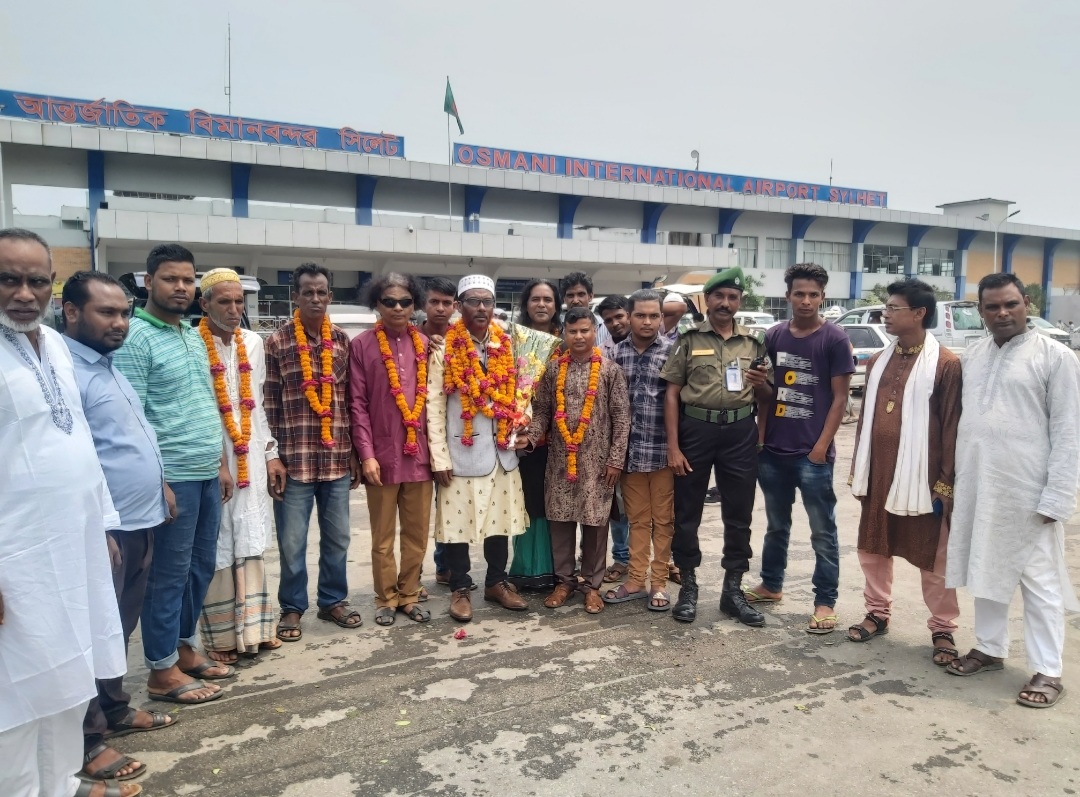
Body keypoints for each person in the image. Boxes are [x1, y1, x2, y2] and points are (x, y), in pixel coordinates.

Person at [0, 229, 134, 797]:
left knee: (69, 674)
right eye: (8, 279)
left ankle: (58, 784)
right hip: (16, 557)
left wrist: (102, 523)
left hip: (74, 543)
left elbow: (78, 438)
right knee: (15, 691)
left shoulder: (53, 344)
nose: (24, 294)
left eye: (36, 281)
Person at [62, 271, 178, 786]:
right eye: (106, 312)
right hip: (106, 530)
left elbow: (131, 437)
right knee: (90, 632)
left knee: (119, 625)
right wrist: (104, 526)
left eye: (124, 313)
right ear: (71, 312)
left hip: (141, 517)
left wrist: (160, 485)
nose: (120, 322)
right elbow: (78, 457)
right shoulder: (67, 371)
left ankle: (112, 708)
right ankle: (86, 739)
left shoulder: (107, 365)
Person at [946, 273, 1080, 709]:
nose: (1002, 313)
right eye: (992, 307)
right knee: (985, 567)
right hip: (980, 484)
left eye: (1010, 304)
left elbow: (1068, 432)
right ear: (981, 312)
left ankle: (1048, 669)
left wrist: (1058, 496)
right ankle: (989, 648)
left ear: (1027, 304)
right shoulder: (974, 355)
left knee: (1039, 581)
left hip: (1029, 490)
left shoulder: (1056, 357)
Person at [113, 243, 235, 704]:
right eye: (170, 279)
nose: (181, 287)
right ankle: (161, 670)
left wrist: (220, 464)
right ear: (149, 282)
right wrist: (157, 481)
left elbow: (204, 401)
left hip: (206, 473)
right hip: (172, 477)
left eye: (188, 279)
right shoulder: (136, 338)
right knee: (168, 574)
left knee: (199, 567)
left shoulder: (190, 334)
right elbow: (132, 418)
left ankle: (184, 648)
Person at [845, 279, 963, 661]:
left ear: (919, 313)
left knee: (934, 557)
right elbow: (864, 423)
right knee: (873, 547)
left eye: (893, 308)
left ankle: (943, 628)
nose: (886, 314)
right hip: (880, 473)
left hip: (923, 481)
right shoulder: (879, 360)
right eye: (887, 307)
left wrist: (945, 483)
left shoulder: (946, 364)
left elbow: (951, 427)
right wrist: (860, 469)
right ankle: (877, 613)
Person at [744, 264, 853, 634]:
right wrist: (761, 437)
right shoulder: (774, 336)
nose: (806, 301)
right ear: (788, 296)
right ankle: (771, 584)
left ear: (823, 297)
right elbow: (767, 396)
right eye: (799, 294)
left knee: (823, 532)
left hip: (812, 456)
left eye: (813, 295)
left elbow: (840, 400)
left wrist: (820, 448)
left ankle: (825, 602)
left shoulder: (834, 339)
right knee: (776, 526)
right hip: (774, 451)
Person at [661, 267, 772, 625]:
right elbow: (672, 393)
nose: (725, 303)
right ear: (707, 300)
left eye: (732, 297)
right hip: (696, 430)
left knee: (739, 514)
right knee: (687, 513)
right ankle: (689, 587)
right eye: (719, 296)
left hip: (739, 432)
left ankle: (732, 591)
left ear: (739, 301)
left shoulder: (754, 343)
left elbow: (767, 395)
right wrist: (674, 446)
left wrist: (761, 390)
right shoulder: (689, 339)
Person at [265, 262, 362, 641]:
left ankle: (332, 600)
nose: (316, 298)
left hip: (336, 459)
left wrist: (353, 452)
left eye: (322, 292)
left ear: (330, 296)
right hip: (294, 462)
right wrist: (272, 456)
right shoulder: (277, 342)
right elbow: (269, 403)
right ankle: (292, 607)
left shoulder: (341, 341)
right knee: (292, 543)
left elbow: (349, 400)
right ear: (296, 296)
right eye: (308, 292)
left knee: (338, 539)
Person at [427, 274, 530, 621]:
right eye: (473, 301)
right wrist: (439, 457)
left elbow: (522, 392)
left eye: (487, 301)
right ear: (459, 306)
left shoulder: (508, 345)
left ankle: (496, 583)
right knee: (456, 524)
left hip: (502, 453)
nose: (482, 308)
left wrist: (523, 421)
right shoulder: (444, 350)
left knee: (499, 523)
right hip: (462, 452)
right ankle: (460, 588)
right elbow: (434, 408)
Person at [196, 269, 285, 662]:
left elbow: (257, 404)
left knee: (250, 534)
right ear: (204, 304)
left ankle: (256, 629)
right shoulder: (193, 343)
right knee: (218, 537)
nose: (234, 309)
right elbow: (200, 409)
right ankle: (220, 639)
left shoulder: (253, 342)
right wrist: (216, 462)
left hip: (250, 452)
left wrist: (270, 453)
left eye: (238, 302)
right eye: (224, 302)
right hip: (213, 454)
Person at [524, 307, 630, 614]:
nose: (579, 336)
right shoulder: (553, 370)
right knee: (560, 522)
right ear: (564, 334)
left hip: (598, 465)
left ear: (594, 332)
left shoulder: (610, 370)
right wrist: (529, 437)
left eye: (585, 330)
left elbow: (622, 417)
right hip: (560, 462)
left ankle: (592, 586)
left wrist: (615, 460)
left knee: (595, 525)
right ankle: (564, 582)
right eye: (573, 332)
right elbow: (542, 411)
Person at [349, 273, 433, 627]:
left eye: (405, 302)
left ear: (414, 306)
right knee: (382, 537)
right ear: (377, 304)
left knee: (417, 534)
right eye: (390, 301)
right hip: (381, 458)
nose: (398, 308)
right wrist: (366, 454)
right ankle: (385, 598)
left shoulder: (426, 345)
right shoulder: (362, 345)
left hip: (420, 457)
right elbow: (357, 404)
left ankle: (409, 594)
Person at [604, 289, 675, 611]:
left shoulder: (674, 353)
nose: (647, 322)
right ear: (629, 317)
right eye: (641, 315)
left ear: (661, 318)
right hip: (630, 455)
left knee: (664, 521)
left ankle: (659, 583)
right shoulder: (615, 355)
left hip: (664, 453)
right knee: (637, 520)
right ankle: (635, 580)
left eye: (654, 316)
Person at [508, 279, 563, 590]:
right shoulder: (511, 342)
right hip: (523, 438)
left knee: (554, 503)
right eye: (535, 299)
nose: (541, 305)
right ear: (526, 304)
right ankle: (527, 568)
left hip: (561, 440)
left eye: (548, 299)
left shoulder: (566, 343)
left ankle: (559, 568)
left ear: (556, 306)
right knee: (526, 500)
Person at [418, 276, 457, 589]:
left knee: (448, 504)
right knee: (417, 514)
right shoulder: (410, 339)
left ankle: (446, 567)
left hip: (451, 437)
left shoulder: (461, 341)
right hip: (414, 438)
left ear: (455, 306)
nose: (441, 309)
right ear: (424, 304)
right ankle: (411, 576)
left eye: (446, 303)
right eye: (434, 302)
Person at [595, 294, 632, 582]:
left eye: (619, 316)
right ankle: (622, 558)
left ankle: (664, 560)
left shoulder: (652, 344)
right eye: (608, 320)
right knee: (618, 504)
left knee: (655, 506)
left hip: (648, 438)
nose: (615, 323)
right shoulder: (603, 353)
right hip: (614, 439)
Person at [560, 271, 610, 346]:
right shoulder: (558, 327)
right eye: (570, 295)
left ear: (590, 296)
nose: (575, 301)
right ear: (564, 299)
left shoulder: (605, 326)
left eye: (581, 294)